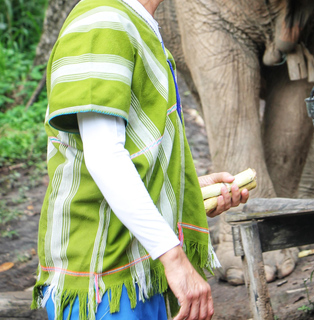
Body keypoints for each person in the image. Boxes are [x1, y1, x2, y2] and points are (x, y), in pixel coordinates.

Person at [31, 0, 249, 319]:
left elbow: (131, 152)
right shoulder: (102, 23)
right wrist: (175, 261)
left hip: (140, 267)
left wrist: (189, 192)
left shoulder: (135, 23)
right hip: (104, 278)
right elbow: (105, 157)